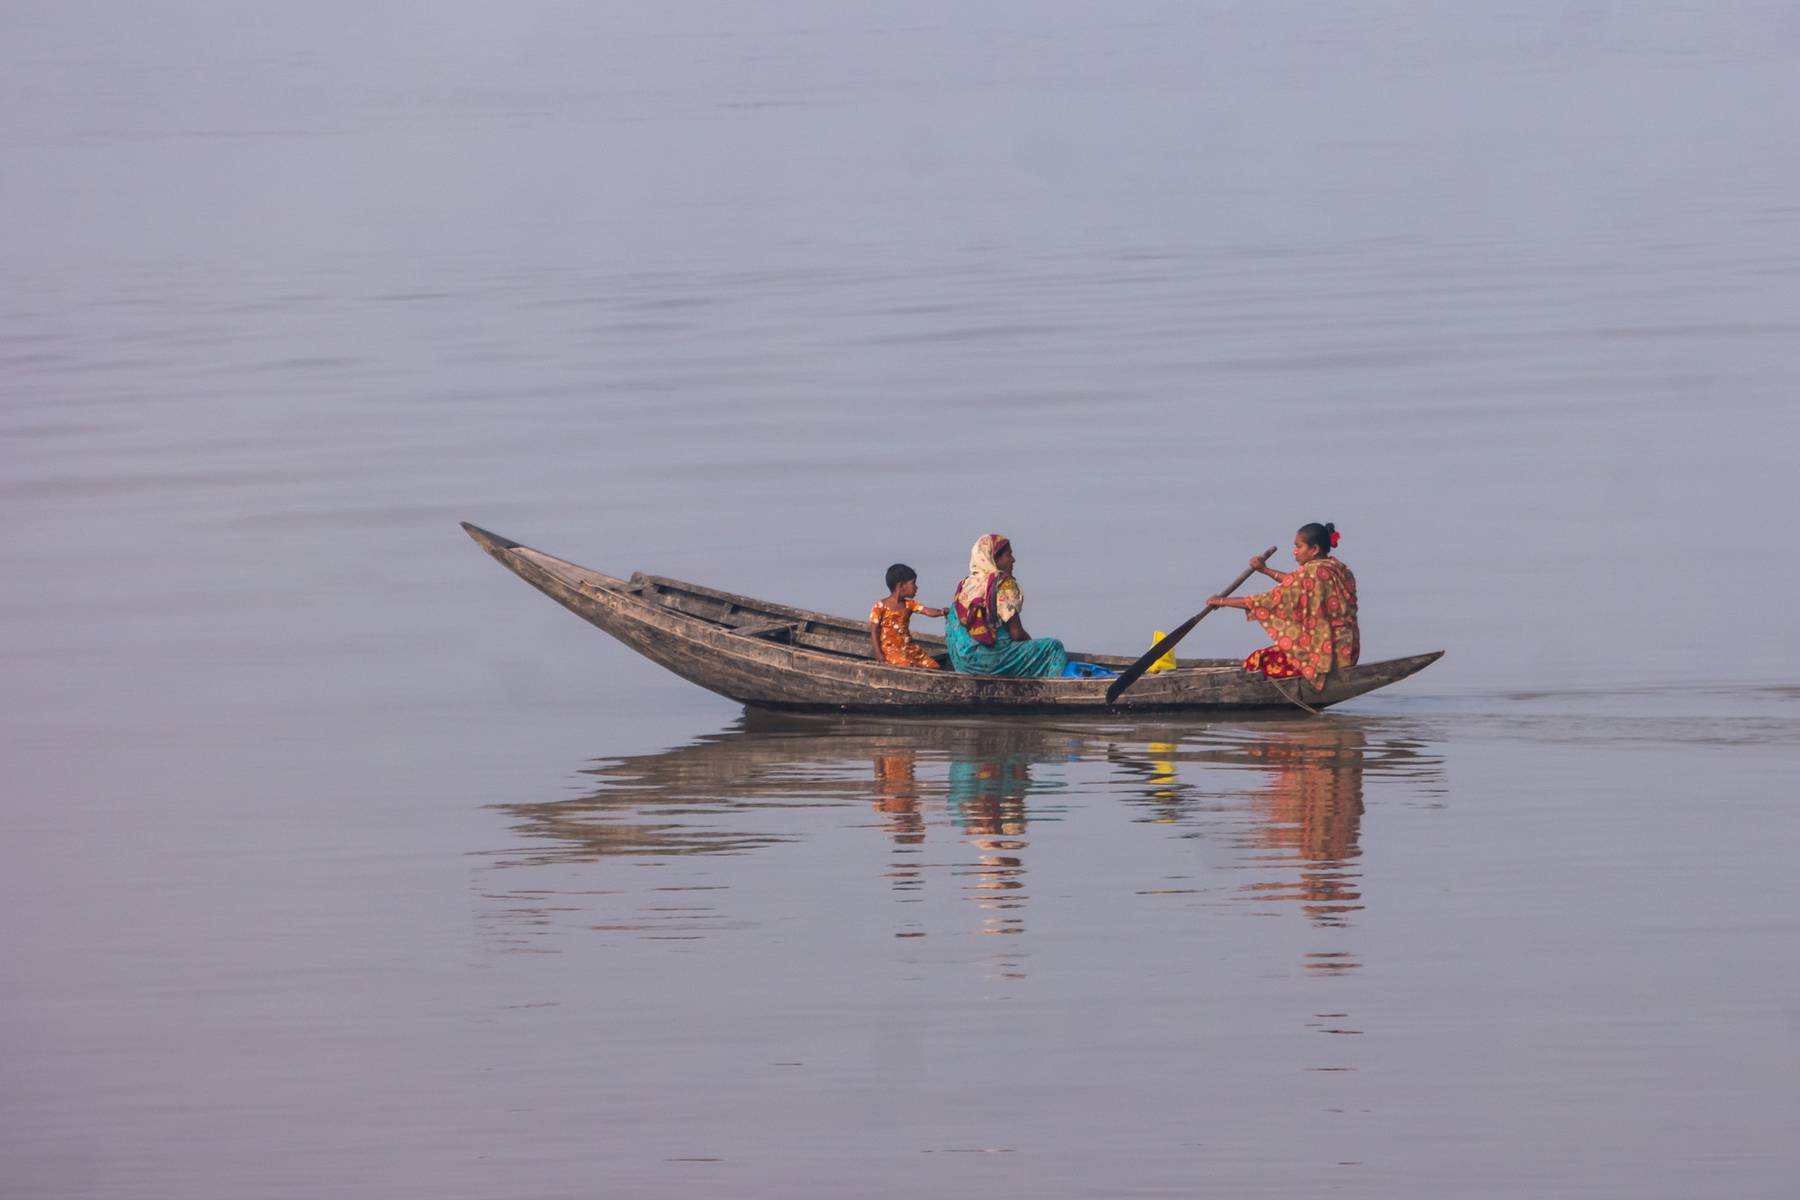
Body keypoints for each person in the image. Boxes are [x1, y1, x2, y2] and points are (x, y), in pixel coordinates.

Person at [1208, 522, 1359, 690]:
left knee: (1258, 659)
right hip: (1347, 651)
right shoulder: (1338, 568)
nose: (1295, 551)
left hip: (1324, 657)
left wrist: (1222, 601)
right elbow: (1296, 584)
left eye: (1299, 546)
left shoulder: (1310, 572)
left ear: (1314, 549)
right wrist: (1264, 570)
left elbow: (1268, 601)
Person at [944, 534, 1069, 677]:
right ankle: (1051, 692)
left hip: (963, 663)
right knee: (1054, 648)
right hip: (990, 662)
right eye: (1008, 555)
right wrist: (1030, 645)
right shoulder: (1004, 584)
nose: (1013, 560)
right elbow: (1016, 633)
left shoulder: (965, 584)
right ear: (995, 559)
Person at [870, 563, 947, 669]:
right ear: (901, 586)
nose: (916, 587)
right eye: (913, 583)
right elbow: (874, 631)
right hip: (891, 651)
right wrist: (878, 653)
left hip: (909, 649)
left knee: (934, 667)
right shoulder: (880, 606)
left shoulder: (910, 604)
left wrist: (942, 612)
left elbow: (927, 611)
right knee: (905, 665)